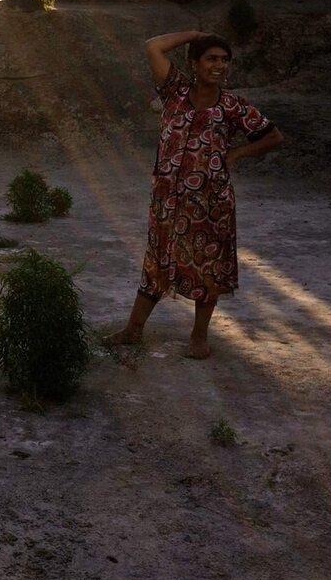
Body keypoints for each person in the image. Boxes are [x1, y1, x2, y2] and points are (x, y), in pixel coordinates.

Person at [109, 31, 283, 359]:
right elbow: (152, 46)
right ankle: (133, 330)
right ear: (194, 63)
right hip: (167, 199)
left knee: (208, 265)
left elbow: (274, 136)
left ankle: (199, 335)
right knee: (157, 263)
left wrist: (236, 154)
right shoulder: (175, 91)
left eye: (224, 59)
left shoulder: (233, 107)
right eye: (211, 58)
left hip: (211, 202)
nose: (219, 65)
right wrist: (195, 35)